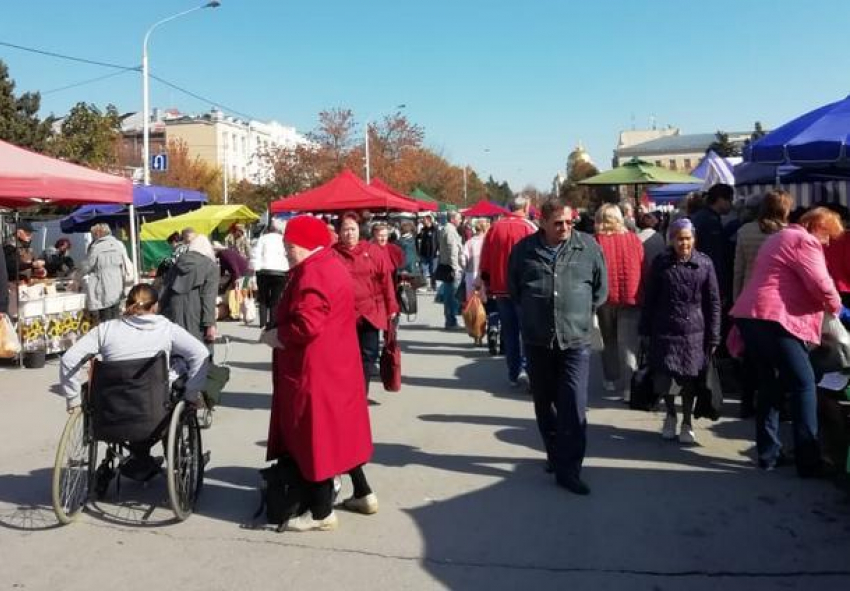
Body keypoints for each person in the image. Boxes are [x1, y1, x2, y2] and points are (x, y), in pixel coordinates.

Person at [266, 215, 376, 532]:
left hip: (313, 368)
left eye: (290, 246)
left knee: (313, 437)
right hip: (337, 363)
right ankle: (363, 493)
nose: (287, 252)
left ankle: (320, 512)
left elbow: (307, 325)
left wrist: (277, 336)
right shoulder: (330, 264)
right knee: (340, 432)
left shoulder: (312, 274)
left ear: (307, 245)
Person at [731, 207, 843, 477]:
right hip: (775, 319)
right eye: (828, 236)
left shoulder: (778, 237)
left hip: (751, 316)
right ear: (818, 226)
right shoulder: (804, 240)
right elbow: (821, 283)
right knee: (804, 384)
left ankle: (768, 454)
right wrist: (837, 307)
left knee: (770, 386)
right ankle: (809, 461)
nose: (827, 243)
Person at [508, 197, 607, 495]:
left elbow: (600, 290)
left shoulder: (587, 247)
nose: (565, 227)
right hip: (538, 340)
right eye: (558, 223)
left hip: (575, 338)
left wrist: (577, 312)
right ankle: (555, 454)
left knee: (574, 404)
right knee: (544, 402)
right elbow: (515, 289)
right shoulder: (524, 250)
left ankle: (570, 469)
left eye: (568, 222)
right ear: (542, 223)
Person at [59, 284, 209, 480]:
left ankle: (134, 458)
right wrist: (191, 394)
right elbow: (201, 354)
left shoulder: (106, 330)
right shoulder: (167, 329)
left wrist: (73, 398)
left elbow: (68, 359)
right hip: (154, 411)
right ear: (155, 307)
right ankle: (170, 457)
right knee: (178, 381)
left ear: (128, 304)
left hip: (110, 412)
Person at [640, 218, 721, 445]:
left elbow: (713, 302)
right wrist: (644, 329)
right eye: (679, 239)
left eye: (688, 238)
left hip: (694, 331)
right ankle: (670, 415)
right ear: (672, 239)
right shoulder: (661, 263)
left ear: (694, 239)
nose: (684, 243)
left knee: (689, 380)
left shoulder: (705, 264)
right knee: (665, 377)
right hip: (664, 327)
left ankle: (687, 420)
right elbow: (650, 298)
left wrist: (715, 335)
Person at [333, 214, 398, 393]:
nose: (349, 233)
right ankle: (346, 391)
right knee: (344, 356)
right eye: (345, 229)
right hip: (343, 313)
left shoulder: (372, 251)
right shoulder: (333, 254)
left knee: (368, 355)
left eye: (352, 229)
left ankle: (361, 393)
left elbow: (386, 280)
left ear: (359, 231)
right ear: (339, 232)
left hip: (370, 311)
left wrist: (391, 306)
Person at [478, 196, 537, 388]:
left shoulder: (495, 228)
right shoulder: (529, 227)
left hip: (501, 288)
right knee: (527, 333)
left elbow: (485, 259)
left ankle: (513, 372)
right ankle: (529, 371)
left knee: (509, 333)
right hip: (524, 289)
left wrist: (484, 283)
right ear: (526, 207)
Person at [594, 204, 644, 401]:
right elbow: (643, 265)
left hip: (605, 298)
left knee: (609, 340)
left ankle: (610, 378)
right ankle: (630, 388)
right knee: (629, 343)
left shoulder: (596, 241)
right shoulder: (633, 239)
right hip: (631, 296)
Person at [159, 235, 219, 349]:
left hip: (174, 311)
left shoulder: (177, 263)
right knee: (199, 352)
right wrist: (210, 324)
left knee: (178, 349)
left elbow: (164, 290)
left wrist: (157, 314)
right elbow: (208, 298)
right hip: (198, 314)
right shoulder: (210, 266)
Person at [733, 191, 792, 301]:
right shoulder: (790, 233)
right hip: (780, 295)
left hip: (750, 293)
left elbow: (739, 270)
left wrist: (736, 299)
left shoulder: (745, 231)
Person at [78, 223, 130, 323]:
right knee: (115, 316)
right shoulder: (119, 244)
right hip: (117, 285)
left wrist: (76, 278)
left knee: (105, 319)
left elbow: (87, 266)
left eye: (93, 234)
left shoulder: (97, 247)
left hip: (102, 286)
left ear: (98, 233)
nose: (93, 236)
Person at [691, 183, 734, 301]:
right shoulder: (710, 221)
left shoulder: (700, 216)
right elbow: (714, 255)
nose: (731, 205)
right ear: (720, 200)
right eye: (730, 200)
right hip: (708, 279)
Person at [251, 218, 289, 329]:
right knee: (276, 299)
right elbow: (287, 254)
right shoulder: (283, 239)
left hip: (264, 271)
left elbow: (255, 255)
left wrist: (255, 269)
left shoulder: (262, 239)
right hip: (281, 272)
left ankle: (262, 323)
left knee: (263, 298)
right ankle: (272, 324)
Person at [437, 211, 464, 329]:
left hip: (446, 265)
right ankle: (451, 320)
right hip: (451, 267)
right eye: (459, 218)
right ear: (453, 219)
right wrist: (455, 268)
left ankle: (450, 319)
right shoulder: (450, 231)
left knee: (449, 295)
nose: (461, 221)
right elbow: (452, 250)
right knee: (452, 295)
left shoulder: (446, 229)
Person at [462, 219, 489, 297]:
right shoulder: (487, 242)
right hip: (484, 274)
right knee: (484, 301)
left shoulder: (469, 242)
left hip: (471, 273)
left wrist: (465, 267)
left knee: (472, 302)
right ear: (485, 229)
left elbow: (462, 260)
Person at [416, 214, 439, 290]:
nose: (423, 221)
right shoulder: (423, 230)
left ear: (429, 220)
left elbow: (438, 241)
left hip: (433, 254)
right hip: (424, 253)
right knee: (423, 270)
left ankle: (433, 285)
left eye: (424, 220)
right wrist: (418, 251)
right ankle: (424, 284)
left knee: (433, 271)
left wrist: (438, 250)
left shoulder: (435, 229)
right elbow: (417, 238)